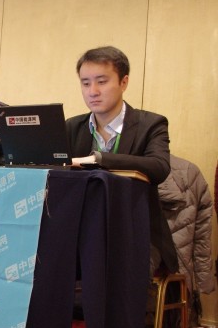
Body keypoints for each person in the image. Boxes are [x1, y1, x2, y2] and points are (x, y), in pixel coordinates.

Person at [66, 46, 178, 275]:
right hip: (83, 231)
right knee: (51, 264)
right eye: (85, 83)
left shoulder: (151, 124)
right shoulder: (72, 127)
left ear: (124, 82)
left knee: (113, 273)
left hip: (136, 233)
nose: (93, 91)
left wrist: (98, 159)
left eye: (101, 82)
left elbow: (159, 167)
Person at [158, 154, 215, 328]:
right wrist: (204, 281)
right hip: (176, 270)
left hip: (130, 272)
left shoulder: (121, 170)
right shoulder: (190, 171)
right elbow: (202, 234)